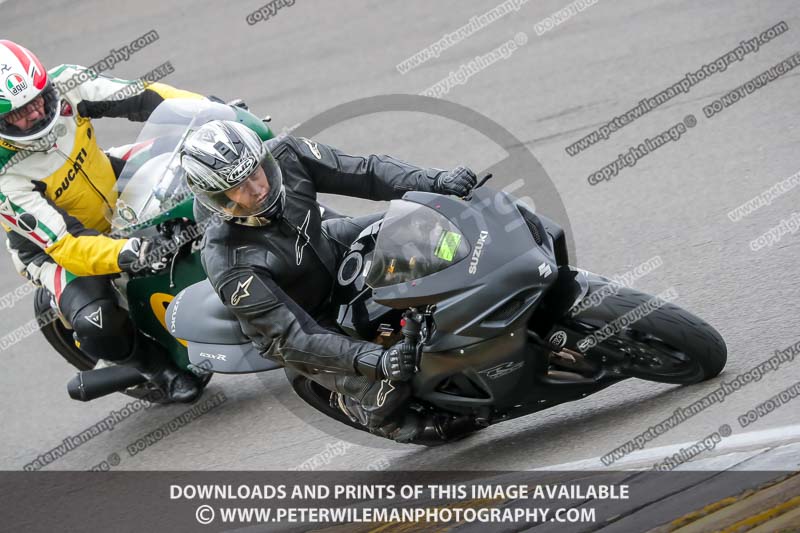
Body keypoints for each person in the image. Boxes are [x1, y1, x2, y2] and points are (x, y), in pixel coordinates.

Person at [182, 120, 477, 441]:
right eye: (238, 187)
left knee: (427, 220)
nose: (257, 189)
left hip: (330, 247)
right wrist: (376, 360)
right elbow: (293, 337)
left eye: (255, 172)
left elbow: (366, 172)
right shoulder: (228, 260)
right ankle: (369, 411)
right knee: (390, 386)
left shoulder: (288, 155)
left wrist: (435, 180)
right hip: (305, 320)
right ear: (217, 198)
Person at [0, 40, 204, 402]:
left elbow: (147, 97)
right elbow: (67, 243)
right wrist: (129, 251)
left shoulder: (67, 84)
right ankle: (159, 369)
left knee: (201, 154)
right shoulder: (5, 177)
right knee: (97, 320)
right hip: (53, 250)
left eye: (37, 101)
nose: (34, 115)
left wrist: (205, 112)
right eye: (19, 114)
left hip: (110, 181)